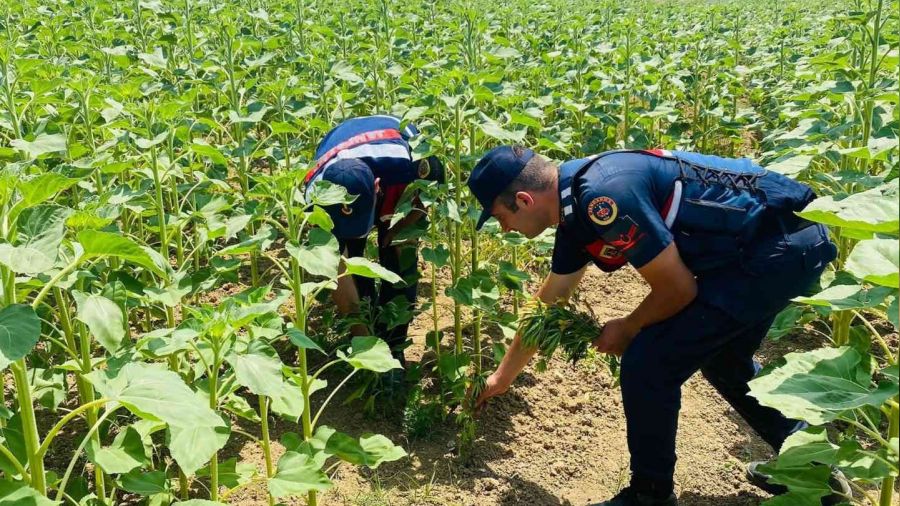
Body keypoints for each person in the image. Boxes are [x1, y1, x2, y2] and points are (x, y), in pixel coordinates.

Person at [466, 146, 848, 506]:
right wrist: (501, 378)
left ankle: (650, 495)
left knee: (649, 361)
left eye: (501, 218)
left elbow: (678, 288)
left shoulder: (602, 196)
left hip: (779, 244)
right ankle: (813, 471)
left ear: (523, 201)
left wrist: (629, 326)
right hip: (769, 245)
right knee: (724, 360)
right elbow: (548, 303)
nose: (504, 230)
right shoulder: (574, 209)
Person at [304, 115, 444, 366]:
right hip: (339, 146)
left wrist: (399, 228)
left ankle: (395, 339)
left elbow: (429, 195)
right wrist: (361, 334)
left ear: (377, 186)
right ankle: (370, 325)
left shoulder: (414, 164)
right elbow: (335, 269)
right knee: (352, 264)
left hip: (396, 169)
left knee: (402, 258)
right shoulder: (316, 197)